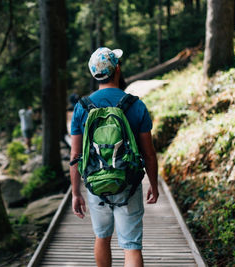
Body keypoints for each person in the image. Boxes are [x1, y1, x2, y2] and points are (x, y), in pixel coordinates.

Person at [70, 47, 159, 267]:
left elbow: (75, 155)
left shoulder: (82, 107)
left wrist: (75, 192)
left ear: (94, 74)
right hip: (128, 183)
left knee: (102, 237)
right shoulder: (135, 105)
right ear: (117, 69)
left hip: (96, 185)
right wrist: (154, 185)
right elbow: (148, 153)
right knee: (131, 245)